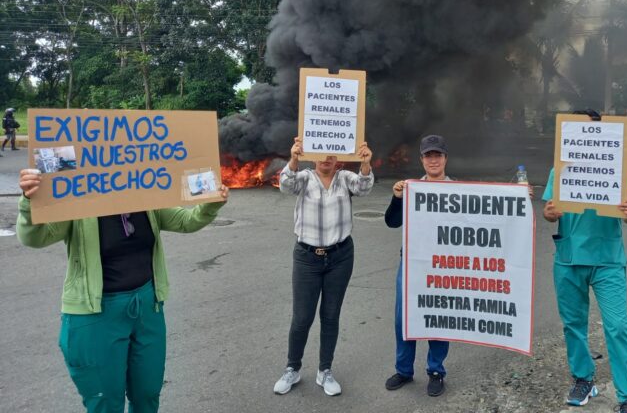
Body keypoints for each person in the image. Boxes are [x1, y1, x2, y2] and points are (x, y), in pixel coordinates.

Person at [16, 168, 229, 413]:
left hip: (148, 308)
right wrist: (29, 202)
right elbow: (34, 237)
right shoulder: (77, 195)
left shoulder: (143, 194)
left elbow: (185, 220)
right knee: (106, 404)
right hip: (95, 316)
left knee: (147, 395)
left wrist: (211, 204)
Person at [542, 114, 627, 413]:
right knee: (573, 325)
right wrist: (550, 213)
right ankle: (583, 379)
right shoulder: (558, 171)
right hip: (569, 258)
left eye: (593, 129)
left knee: (617, 327)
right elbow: (550, 212)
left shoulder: (620, 171)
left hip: (607, 261)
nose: (587, 134)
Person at [274, 138, 374, 397]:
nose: (326, 158)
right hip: (307, 257)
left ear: (338, 157)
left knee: (330, 316)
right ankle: (292, 368)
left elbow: (364, 188)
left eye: (332, 154)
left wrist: (365, 164)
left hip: (340, 256)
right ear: (312, 155)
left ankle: (325, 370)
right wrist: (294, 158)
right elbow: (285, 185)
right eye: (321, 153)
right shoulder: (304, 178)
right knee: (302, 318)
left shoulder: (345, 178)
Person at [382, 134, 452, 397]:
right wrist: (397, 198)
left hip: (445, 267)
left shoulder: (460, 190)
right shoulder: (411, 188)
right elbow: (391, 222)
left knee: (440, 318)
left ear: (445, 158)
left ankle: (436, 370)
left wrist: (519, 197)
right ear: (422, 159)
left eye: (438, 155)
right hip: (412, 264)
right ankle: (404, 370)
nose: (433, 160)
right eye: (428, 155)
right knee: (404, 318)